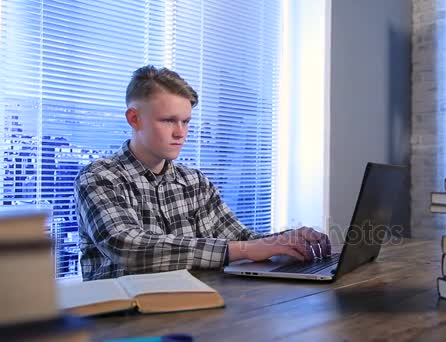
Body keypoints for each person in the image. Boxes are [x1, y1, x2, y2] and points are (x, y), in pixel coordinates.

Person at [75, 65, 330, 281]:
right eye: (168, 120)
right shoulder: (100, 177)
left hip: (190, 309)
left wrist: (289, 240)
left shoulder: (194, 182)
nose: (180, 132)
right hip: (120, 322)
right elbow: (128, 246)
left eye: (185, 121)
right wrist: (249, 248)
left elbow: (242, 240)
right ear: (134, 119)